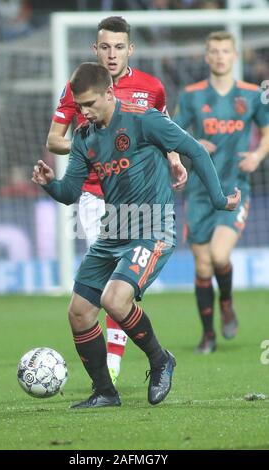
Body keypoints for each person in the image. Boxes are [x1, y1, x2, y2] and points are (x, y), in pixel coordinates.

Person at [32, 62, 240, 408]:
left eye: (89, 104)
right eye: (79, 106)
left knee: (115, 300)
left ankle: (160, 360)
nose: (82, 112)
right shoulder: (84, 137)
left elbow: (195, 150)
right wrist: (48, 184)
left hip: (153, 227)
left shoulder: (144, 119)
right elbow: (71, 191)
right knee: (80, 311)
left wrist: (219, 199)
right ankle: (104, 392)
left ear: (109, 94)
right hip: (114, 231)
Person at [46, 16, 187, 384]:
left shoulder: (151, 88)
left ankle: (116, 360)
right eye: (105, 47)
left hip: (140, 199)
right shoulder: (80, 87)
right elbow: (54, 140)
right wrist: (89, 146)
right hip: (95, 193)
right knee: (107, 286)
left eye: (118, 47)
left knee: (116, 289)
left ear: (130, 49)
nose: (111, 54)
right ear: (95, 49)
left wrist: (173, 160)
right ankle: (112, 367)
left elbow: (165, 133)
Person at [174, 31, 269, 354]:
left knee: (218, 256)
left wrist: (257, 156)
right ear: (206, 56)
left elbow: (267, 131)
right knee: (202, 267)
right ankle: (208, 334)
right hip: (199, 193)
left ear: (235, 56)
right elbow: (172, 133)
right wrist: (193, 144)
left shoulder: (253, 95)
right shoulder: (191, 96)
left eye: (225, 51)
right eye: (213, 51)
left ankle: (226, 301)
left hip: (235, 188)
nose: (219, 56)